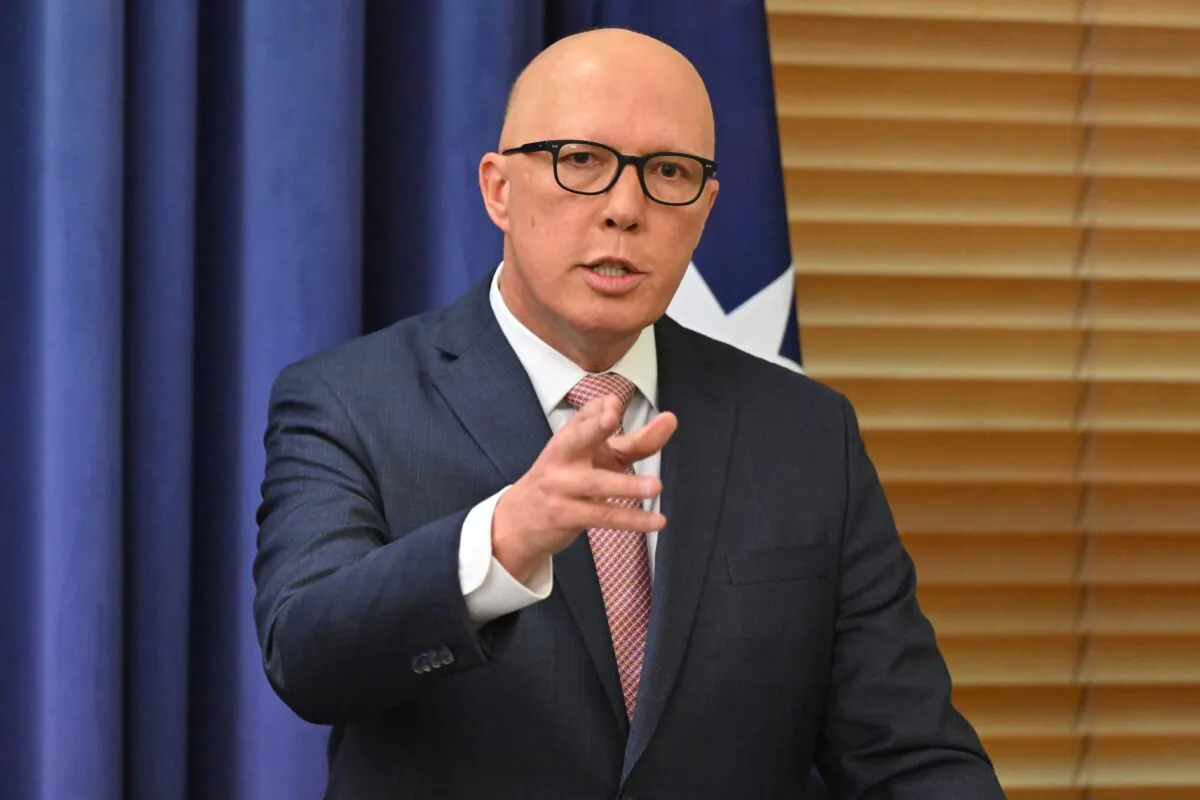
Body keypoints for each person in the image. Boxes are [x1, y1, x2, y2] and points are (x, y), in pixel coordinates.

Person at [252, 28, 1005, 799]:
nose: (624, 208)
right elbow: (307, 657)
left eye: (668, 172)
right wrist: (505, 539)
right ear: (498, 190)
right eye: (581, 161)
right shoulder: (348, 400)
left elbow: (907, 752)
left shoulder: (808, 435)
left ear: (706, 209)